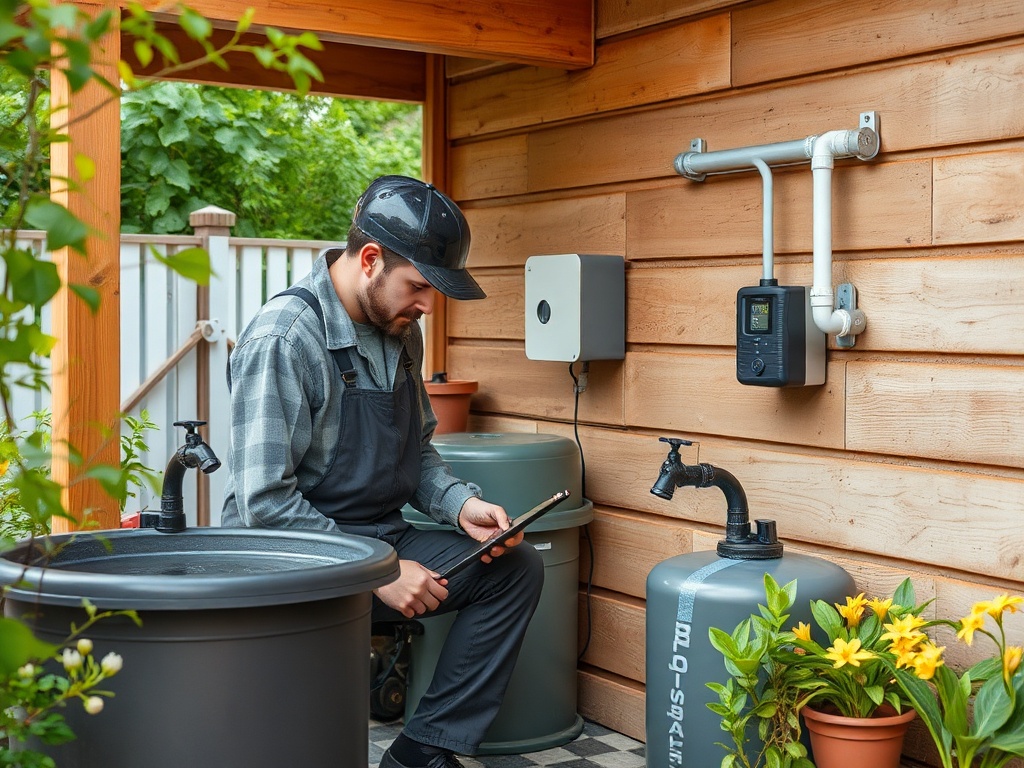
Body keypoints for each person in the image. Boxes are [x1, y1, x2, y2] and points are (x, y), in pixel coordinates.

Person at [221, 175, 544, 768]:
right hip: (287, 569)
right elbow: (262, 505)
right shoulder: (285, 338)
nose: (426, 305)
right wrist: (376, 571)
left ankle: (423, 752)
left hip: (379, 542)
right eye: (418, 286)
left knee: (515, 569)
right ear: (370, 260)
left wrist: (460, 505)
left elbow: (416, 452)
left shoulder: (401, 332)